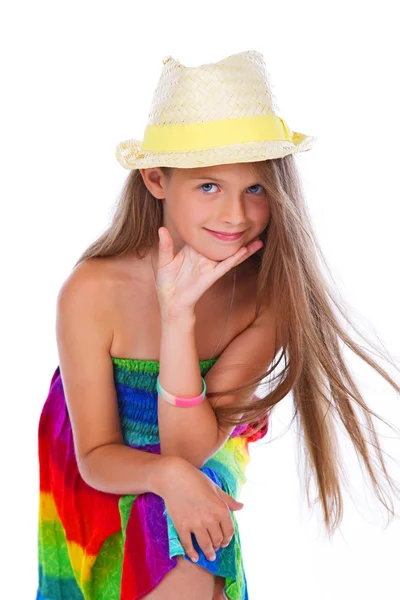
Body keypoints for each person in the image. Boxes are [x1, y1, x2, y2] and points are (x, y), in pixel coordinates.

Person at [36, 50, 400, 600]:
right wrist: (163, 475)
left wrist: (177, 318)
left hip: (206, 444)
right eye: (209, 187)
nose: (235, 214)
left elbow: (189, 449)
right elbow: (95, 456)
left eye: (255, 189)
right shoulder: (92, 292)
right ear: (157, 179)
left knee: (191, 533)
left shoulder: (267, 294)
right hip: (102, 461)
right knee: (159, 515)